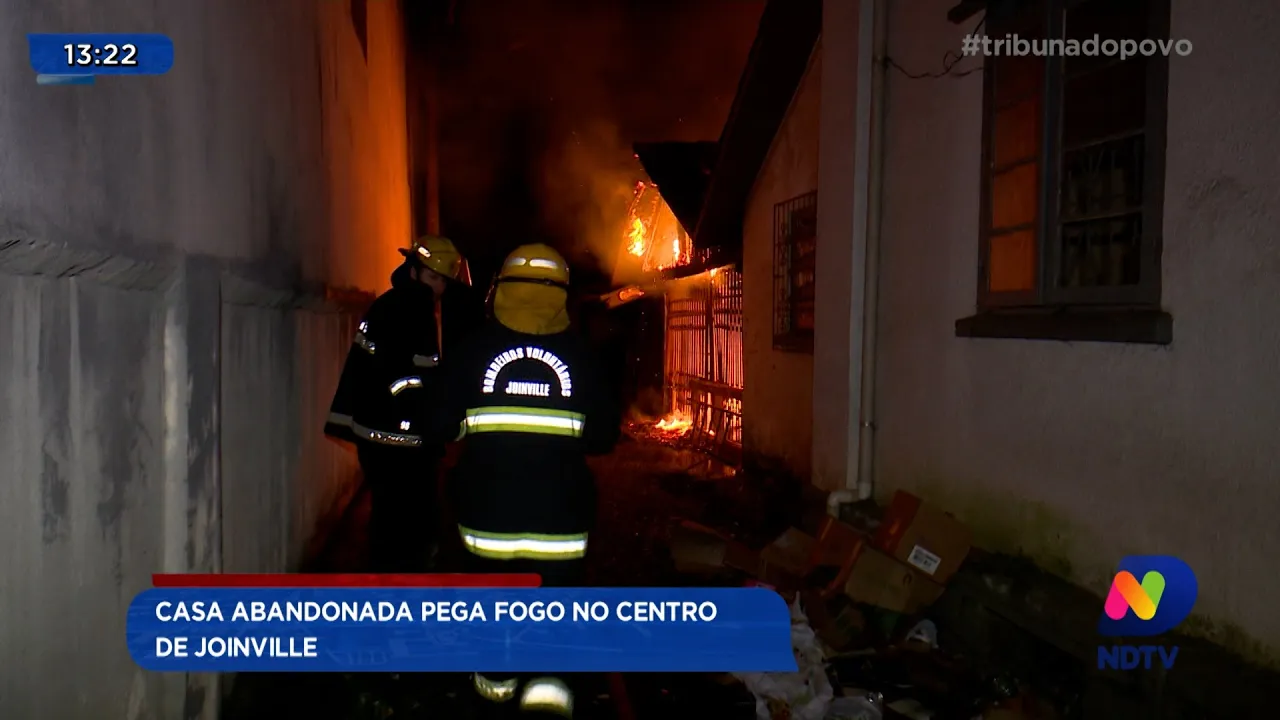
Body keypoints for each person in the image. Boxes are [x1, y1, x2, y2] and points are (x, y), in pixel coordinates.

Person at [430, 243, 621, 718]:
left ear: (501, 289)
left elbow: (441, 426)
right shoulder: (582, 356)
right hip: (562, 528)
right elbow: (601, 438)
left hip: (487, 525)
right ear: (560, 294)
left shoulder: (471, 350)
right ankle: (548, 698)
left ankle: (494, 697)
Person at [325, 235, 481, 572]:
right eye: (434, 278)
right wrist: (431, 422)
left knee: (390, 517)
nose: (439, 288)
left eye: (443, 280)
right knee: (408, 522)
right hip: (395, 436)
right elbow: (402, 376)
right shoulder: (411, 308)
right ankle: (403, 589)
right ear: (414, 271)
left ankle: (390, 583)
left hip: (379, 429)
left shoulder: (396, 303)